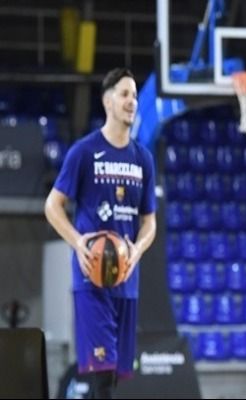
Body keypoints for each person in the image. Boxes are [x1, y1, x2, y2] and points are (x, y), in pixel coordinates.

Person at [44, 68, 157, 399]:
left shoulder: (143, 159)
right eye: (124, 94)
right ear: (108, 101)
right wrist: (78, 242)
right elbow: (53, 205)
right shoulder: (84, 152)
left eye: (134, 95)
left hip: (126, 278)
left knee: (114, 375)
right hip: (91, 278)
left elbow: (149, 221)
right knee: (102, 376)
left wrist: (137, 250)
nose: (132, 101)